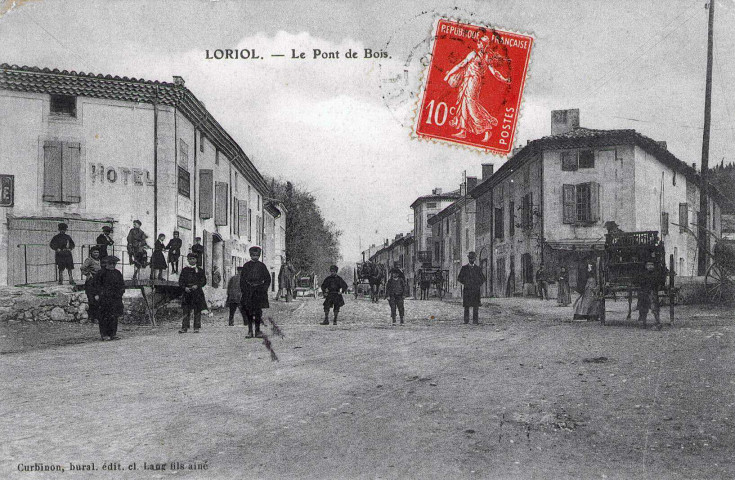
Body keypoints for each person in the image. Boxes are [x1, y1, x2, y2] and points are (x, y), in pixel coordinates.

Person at [443, 35, 510, 143]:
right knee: (464, 102)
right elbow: (494, 72)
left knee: (470, 103)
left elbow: (462, 64)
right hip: (468, 80)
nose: (478, 44)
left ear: (482, 44)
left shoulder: (477, 55)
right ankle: (463, 130)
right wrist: (504, 79)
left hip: (473, 81)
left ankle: (487, 128)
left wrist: (449, 74)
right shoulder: (482, 56)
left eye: (479, 43)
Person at [240, 246, 271, 338]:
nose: (255, 257)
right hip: (249, 291)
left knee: (258, 312)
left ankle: (257, 331)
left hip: (259, 292)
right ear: (250, 255)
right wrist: (245, 290)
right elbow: (242, 280)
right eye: (253, 255)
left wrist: (263, 289)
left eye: (257, 255)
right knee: (249, 311)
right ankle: (250, 331)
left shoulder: (262, 266)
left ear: (259, 256)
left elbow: (268, 279)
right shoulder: (246, 266)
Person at [93, 255, 125, 341]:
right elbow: (95, 285)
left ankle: (113, 334)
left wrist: (120, 293)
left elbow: (122, 285)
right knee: (104, 316)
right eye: (110, 263)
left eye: (114, 264)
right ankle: (104, 334)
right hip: (104, 299)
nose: (112, 265)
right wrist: (97, 294)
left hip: (115, 298)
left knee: (114, 316)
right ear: (106, 264)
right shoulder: (101, 273)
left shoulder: (117, 273)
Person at [178, 252, 207, 333]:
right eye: (190, 259)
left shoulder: (200, 270)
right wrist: (185, 288)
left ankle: (196, 327)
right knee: (186, 310)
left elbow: (204, 281)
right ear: (188, 260)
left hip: (197, 293)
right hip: (187, 293)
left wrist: (197, 286)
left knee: (197, 310)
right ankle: (184, 327)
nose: (191, 261)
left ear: (196, 260)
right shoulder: (185, 270)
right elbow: (180, 281)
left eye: (193, 259)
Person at [457, 251, 486, 324]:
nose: (472, 260)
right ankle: (466, 320)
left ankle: (475, 321)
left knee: (475, 306)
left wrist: (477, 284)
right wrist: (466, 283)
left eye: (473, 258)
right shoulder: (464, 268)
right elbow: (459, 278)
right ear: (468, 259)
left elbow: (483, 279)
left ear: (475, 259)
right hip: (467, 289)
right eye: (470, 258)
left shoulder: (478, 269)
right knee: (466, 306)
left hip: (475, 290)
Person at [637, 260, 663, 330]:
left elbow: (659, 282)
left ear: (654, 266)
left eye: (652, 265)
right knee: (643, 308)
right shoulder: (643, 274)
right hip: (644, 293)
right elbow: (640, 282)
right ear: (646, 266)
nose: (650, 266)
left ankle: (658, 322)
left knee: (654, 308)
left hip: (652, 293)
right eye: (648, 265)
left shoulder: (656, 274)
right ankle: (644, 323)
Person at [80, 246, 103, 324]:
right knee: (91, 300)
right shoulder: (89, 260)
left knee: (98, 300)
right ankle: (92, 318)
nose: (96, 254)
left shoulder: (99, 260)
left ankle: (96, 317)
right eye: (94, 252)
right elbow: (82, 268)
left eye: (97, 252)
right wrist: (88, 274)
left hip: (98, 283)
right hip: (91, 283)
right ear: (91, 253)